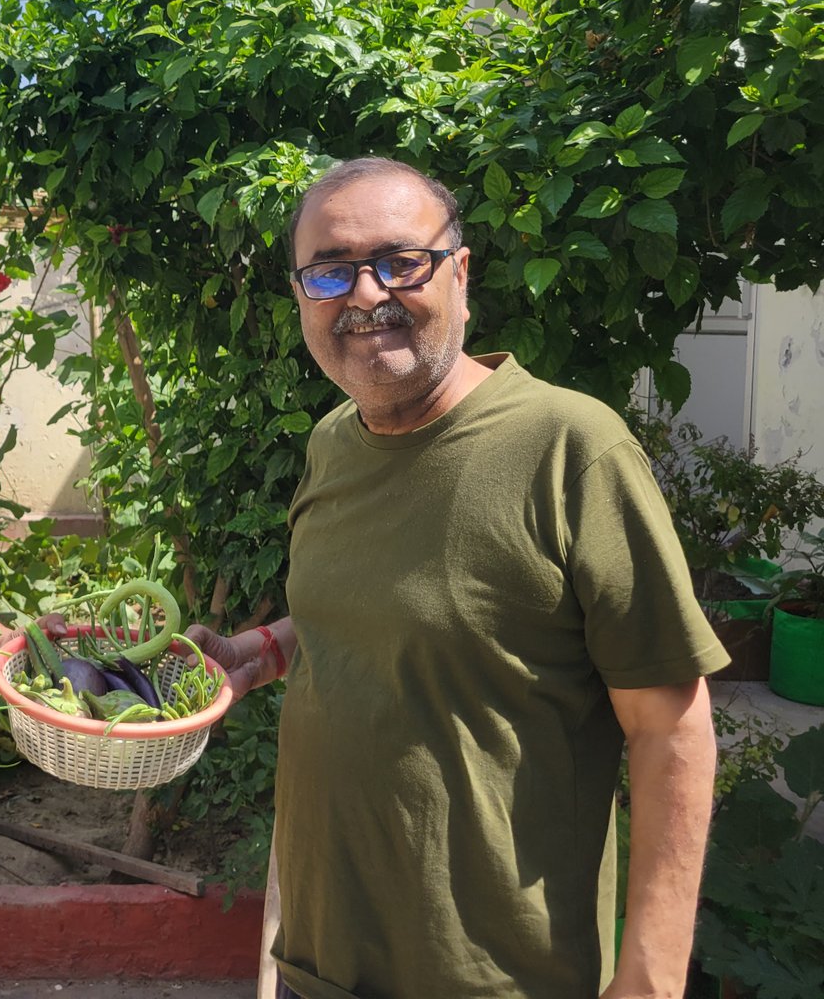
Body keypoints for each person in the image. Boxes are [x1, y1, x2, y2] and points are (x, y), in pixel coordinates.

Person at [186, 157, 729, 999]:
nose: (365, 294)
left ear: (461, 272)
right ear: (301, 297)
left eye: (400, 261)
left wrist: (651, 981)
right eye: (329, 271)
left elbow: (671, 725)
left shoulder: (571, 448)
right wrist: (264, 651)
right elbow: (391, 612)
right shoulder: (333, 441)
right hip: (316, 965)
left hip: (500, 978)